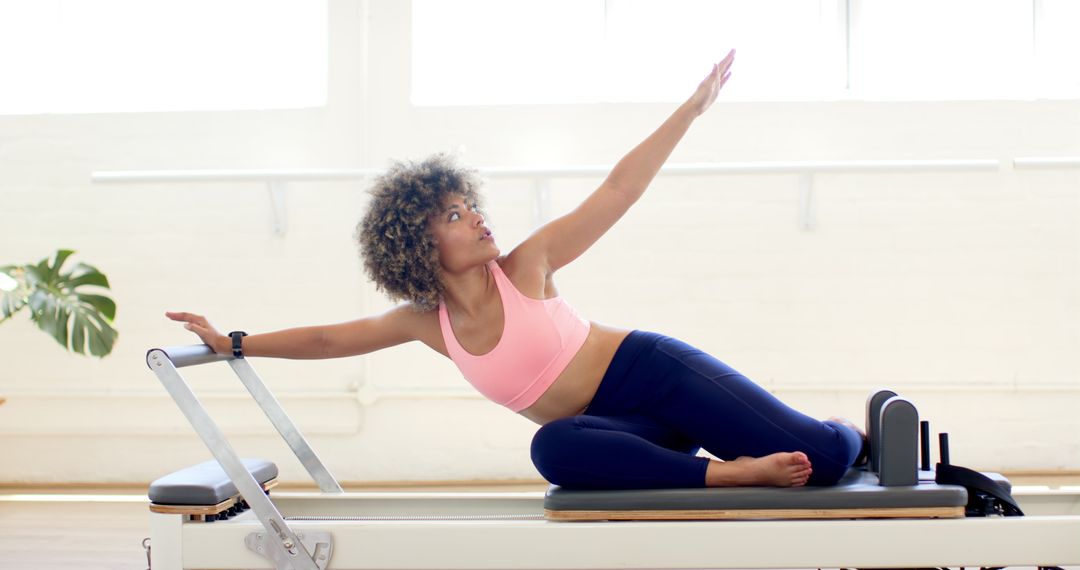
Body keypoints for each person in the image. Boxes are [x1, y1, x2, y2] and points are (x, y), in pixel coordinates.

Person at [168, 49, 867, 490]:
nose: (476, 217)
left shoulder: (526, 265)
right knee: (554, 450)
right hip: (619, 432)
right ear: (418, 245)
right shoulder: (428, 324)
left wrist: (689, 110)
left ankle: (858, 424)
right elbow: (330, 340)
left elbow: (618, 190)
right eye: (453, 215)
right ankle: (723, 476)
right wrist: (234, 342)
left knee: (828, 462)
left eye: (471, 204)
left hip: (657, 374)